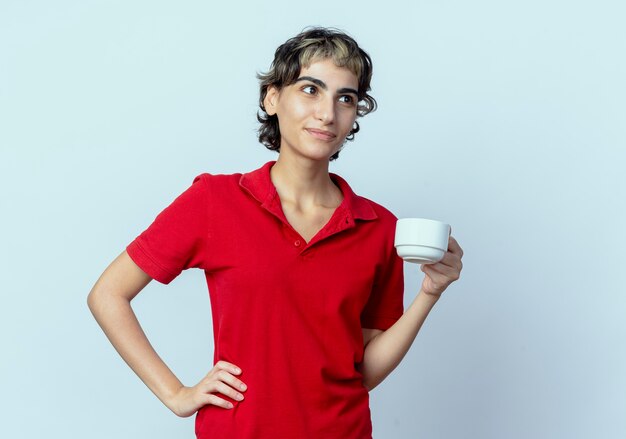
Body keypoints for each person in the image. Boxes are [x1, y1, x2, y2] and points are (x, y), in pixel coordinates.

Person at [87, 27, 463, 439]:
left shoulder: (379, 227)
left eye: (345, 97)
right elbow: (108, 295)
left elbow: (363, 372)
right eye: (310, 89)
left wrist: (430, 293)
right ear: (272, 98)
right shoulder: (215, 201)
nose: (327, 113)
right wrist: (177, 394)